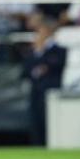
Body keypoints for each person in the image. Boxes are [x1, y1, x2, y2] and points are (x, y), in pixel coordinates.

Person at [22, 18, 67, 146]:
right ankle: (37, 145)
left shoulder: (59, 50)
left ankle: (51, 144)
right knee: (35, 120)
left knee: (50, 121)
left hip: (50, 91)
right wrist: (38, 52)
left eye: (40, 31)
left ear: (48, 31)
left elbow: (55, 65)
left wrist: (43, 64)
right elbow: (26, 70)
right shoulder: (33, 51)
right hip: (35, 91)